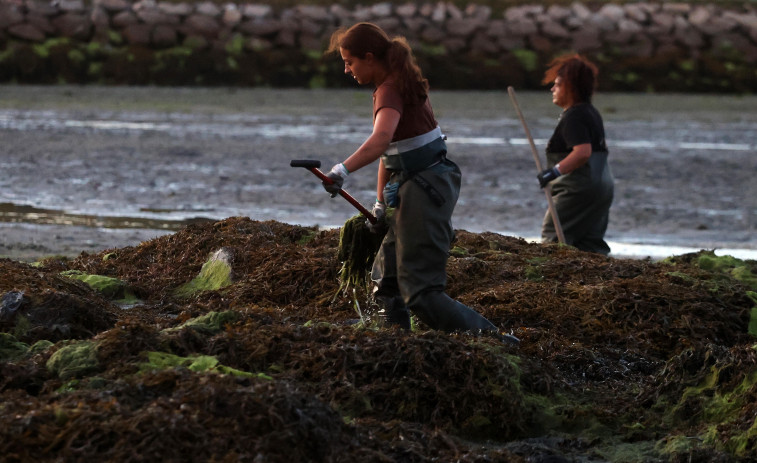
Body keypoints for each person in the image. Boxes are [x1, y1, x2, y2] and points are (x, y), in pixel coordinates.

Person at [322, 22, 518, 345]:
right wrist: (381, 205)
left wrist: (341, 170)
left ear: (369, 58)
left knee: (422, 294)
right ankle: (394, 344)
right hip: (414, 188)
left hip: (425, 191)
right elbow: (392, 153)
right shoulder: (398, 82)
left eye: (349, 62)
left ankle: (495, 341)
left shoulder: (390, 90)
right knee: (386, 282)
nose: (346, 70)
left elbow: (381, 140)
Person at [537, 54, 614, 255]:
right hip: (602, 187)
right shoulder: (591, 112)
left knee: (553, 235)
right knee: (590, 243)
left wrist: (553, 172)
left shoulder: (574, 116)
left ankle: (553, 280)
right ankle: (600, 283)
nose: (553, 89)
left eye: (558, 84)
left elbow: (583, 152)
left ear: (571, 87)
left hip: (579, 189)